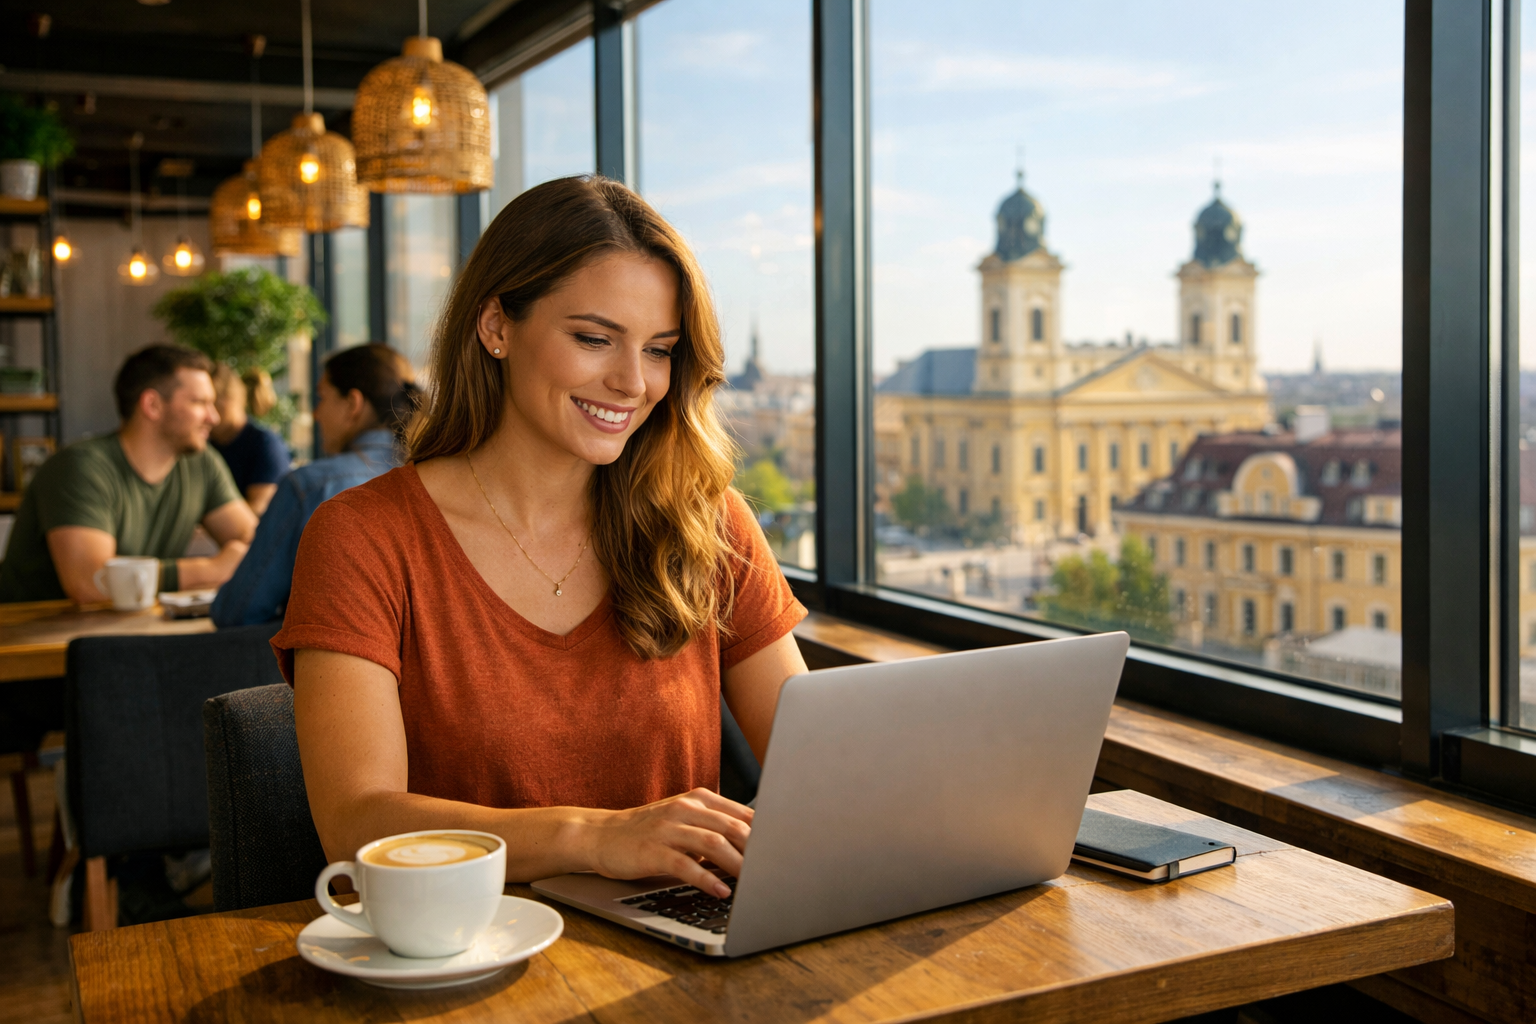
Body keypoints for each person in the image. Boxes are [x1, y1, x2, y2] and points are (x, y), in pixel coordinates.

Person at [274, 176, 809, 899]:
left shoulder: (706, 525)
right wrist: (594, 838)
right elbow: (356, 825)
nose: (633, 382)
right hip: (464, 946)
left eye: (659, 350)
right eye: (594, 339)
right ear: (496, 326)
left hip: (674, 944)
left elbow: (821, 769)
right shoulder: (363, 538)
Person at [0, 344, 257, 605]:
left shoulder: (201, 464)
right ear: (152, 405)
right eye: (199, 402)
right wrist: (210, 570)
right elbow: (91, 582)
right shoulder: (80, 467)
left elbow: (257, 544)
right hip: (34, 626)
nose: (214, 418)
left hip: (130, 624)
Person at [211, 345, 416, 627]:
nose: (317, 413)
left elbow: (238, 610)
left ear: (353, 404)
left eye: (322, 398)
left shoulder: (310, 487)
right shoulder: (435, 477)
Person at [209, 365, 290, 516]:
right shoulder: (204, 444)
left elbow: (260, 510)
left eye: (210, 404)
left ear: (228, 401)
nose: (207, 414)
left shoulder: (264, 444)